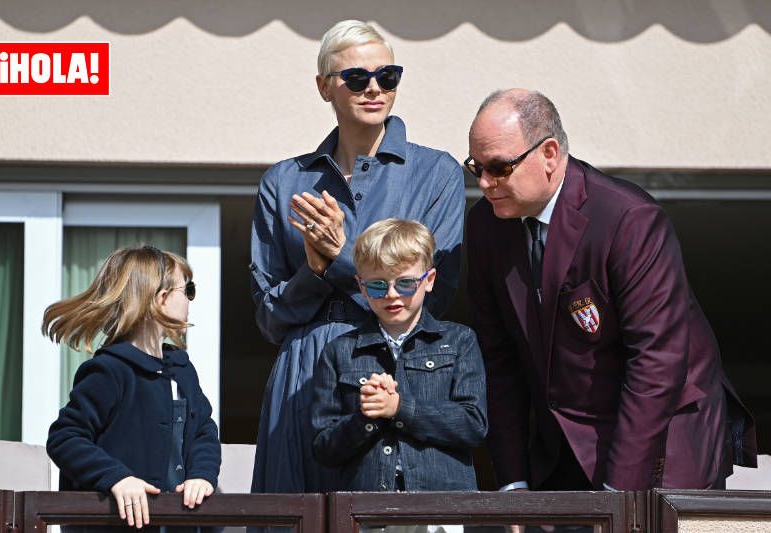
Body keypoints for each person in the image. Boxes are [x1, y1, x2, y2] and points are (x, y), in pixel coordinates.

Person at [465, 88, 757, 492]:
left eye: (499, 167)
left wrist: (618, 494)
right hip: (563, 444)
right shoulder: (486, 226)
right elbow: (498, 361)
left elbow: (657, 360)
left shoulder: (628, 219)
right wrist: (512, 482)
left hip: (662, 442)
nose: (484, 182)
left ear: (549, 154)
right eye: (475, 167)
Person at [249, 20, 465, 493]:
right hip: (303, 368)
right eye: (356, 78)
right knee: (295, 519)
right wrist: (316, 270)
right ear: (324, 86)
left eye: (388, 77)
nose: (374, 89)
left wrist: (340, 257)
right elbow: (268, 317)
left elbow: (436, 298)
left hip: (390, 367)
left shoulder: (436, 173)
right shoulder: (285, 181)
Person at [44, 245, 220, 531]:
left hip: (177, 522)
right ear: (161, 299)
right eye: (187, 290)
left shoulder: (182, 370)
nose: (191, 298)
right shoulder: (110, 370)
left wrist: (202, 475)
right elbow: (65, 437)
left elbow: (204, 431)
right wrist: (116, 478)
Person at [310, 218, 487, 493]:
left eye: (405, 283)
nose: (392, 295)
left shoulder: (459, 340)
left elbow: (473, 424)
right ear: (361, 286)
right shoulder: (339, 351)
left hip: (444, 505)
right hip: (365, 508)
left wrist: (399, 408)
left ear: (428, 280)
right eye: (378, 286)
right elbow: (323, 447)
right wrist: (367, 416)